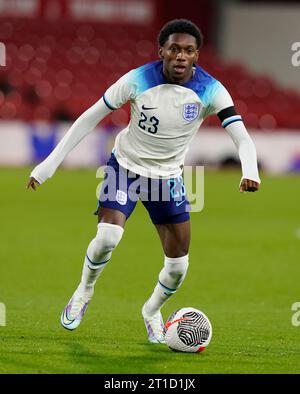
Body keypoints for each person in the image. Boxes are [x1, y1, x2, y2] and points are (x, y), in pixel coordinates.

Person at [27, 19, 260, 344]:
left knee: (178, 267)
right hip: (125, 168)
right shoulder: (137, 80)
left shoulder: (211, 90)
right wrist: (48, 166)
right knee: (108, 236)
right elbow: (90, 117)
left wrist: (250, 169)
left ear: (196, 56)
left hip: (168, 178)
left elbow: (242, 137)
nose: (181, 56)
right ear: (162, 50)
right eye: (175, 48)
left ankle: (152, 311)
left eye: (189, 51)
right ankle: (84, 290)